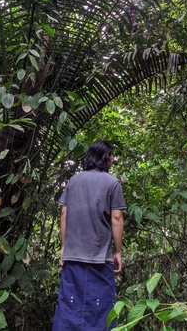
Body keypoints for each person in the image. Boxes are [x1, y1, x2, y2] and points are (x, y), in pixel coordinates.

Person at [53, 140, 126, 331]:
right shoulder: (112, 183)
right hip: (100, 259)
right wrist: (118, 252)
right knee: (100, 311)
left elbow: (64, 213)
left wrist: (64, 247)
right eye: (111, 156)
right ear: (104, 157)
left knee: (69, 308)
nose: (112, 160)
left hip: (73, 258)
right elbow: (116, 217)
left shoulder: (73, 181)